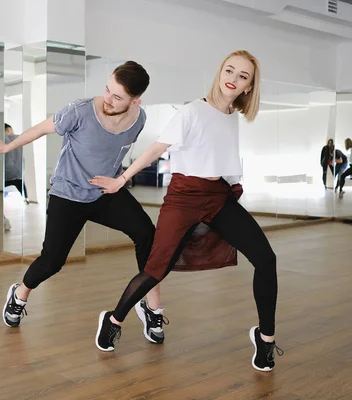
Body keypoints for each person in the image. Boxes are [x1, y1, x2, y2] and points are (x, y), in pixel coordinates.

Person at [93, 50, 283, 372]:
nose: (233, 79)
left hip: (218, 197)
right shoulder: (192, 111)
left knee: (266, 260)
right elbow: (156, 150)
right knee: (156, 268)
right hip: (183, 197)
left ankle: (265, 340)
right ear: (220, 71)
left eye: (242, 76)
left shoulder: (232, 117)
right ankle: (113, 319)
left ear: (248, 87)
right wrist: (121, 180)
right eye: (230, 70)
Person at [0, 61, 167, 344]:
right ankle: (19, 295)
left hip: (106, 192)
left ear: (135, 101)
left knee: (147, 234)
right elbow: (42, 128)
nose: (108, 98)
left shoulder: (139, 119)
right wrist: (6, 147)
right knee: (52, 261)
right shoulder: (79, 111)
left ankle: (150, 304)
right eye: (107, 90)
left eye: (117, 97)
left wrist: (117, 180)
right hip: (67, 194)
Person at [4, 123, 29, 203]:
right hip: (18, 171)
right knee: (21, 185)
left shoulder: (3, 139)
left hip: (7, 172)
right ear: (9, 129)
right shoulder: (19, 138)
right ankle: (26, 198)